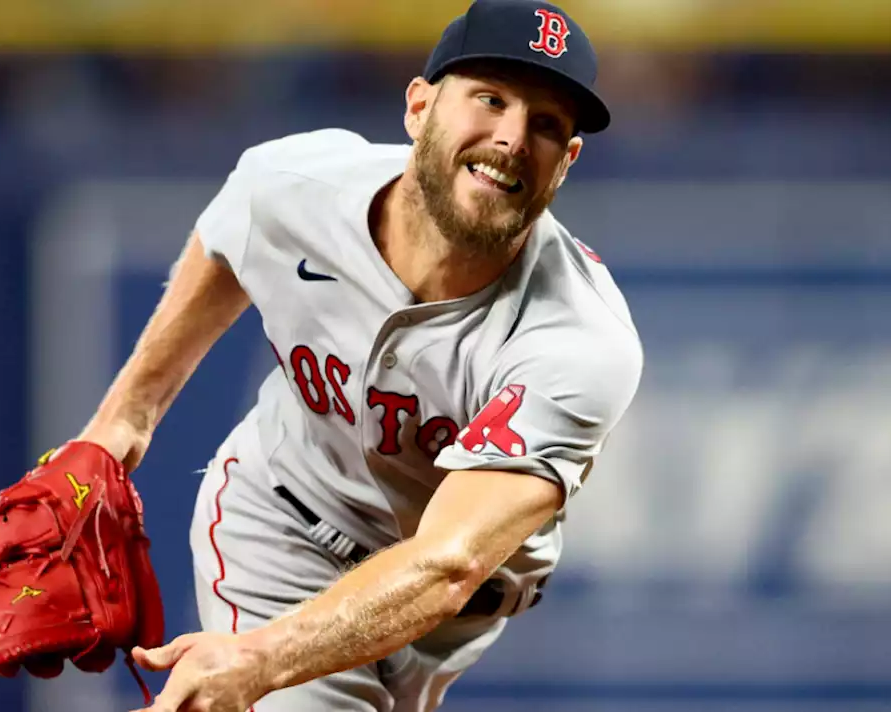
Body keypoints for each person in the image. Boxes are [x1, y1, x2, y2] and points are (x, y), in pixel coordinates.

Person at [76, 1, 643, 709]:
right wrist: (124, 418)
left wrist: (253, 664)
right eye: (490, 99)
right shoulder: (298, 185)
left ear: (567, 163)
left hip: (446, 615)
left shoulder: (579, 339)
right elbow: (231, 232)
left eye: (546, 125)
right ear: (419, 107)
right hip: (281, 526)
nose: (511, 138)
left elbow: (448, 564)